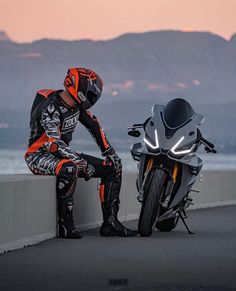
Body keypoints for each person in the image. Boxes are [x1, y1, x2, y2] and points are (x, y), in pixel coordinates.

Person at [25, 68, 137, 239]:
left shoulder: (76, 106)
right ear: (79, 87)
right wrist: (80, 162)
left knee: (113, 167)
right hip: (38, 156)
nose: (93, 97)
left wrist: (110, 153)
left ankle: (110, 224)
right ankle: (66, 227)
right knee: (69, 168)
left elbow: (94, 126)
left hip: (63, 156)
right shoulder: (51, 106)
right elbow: (54, 143)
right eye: (92, 92)